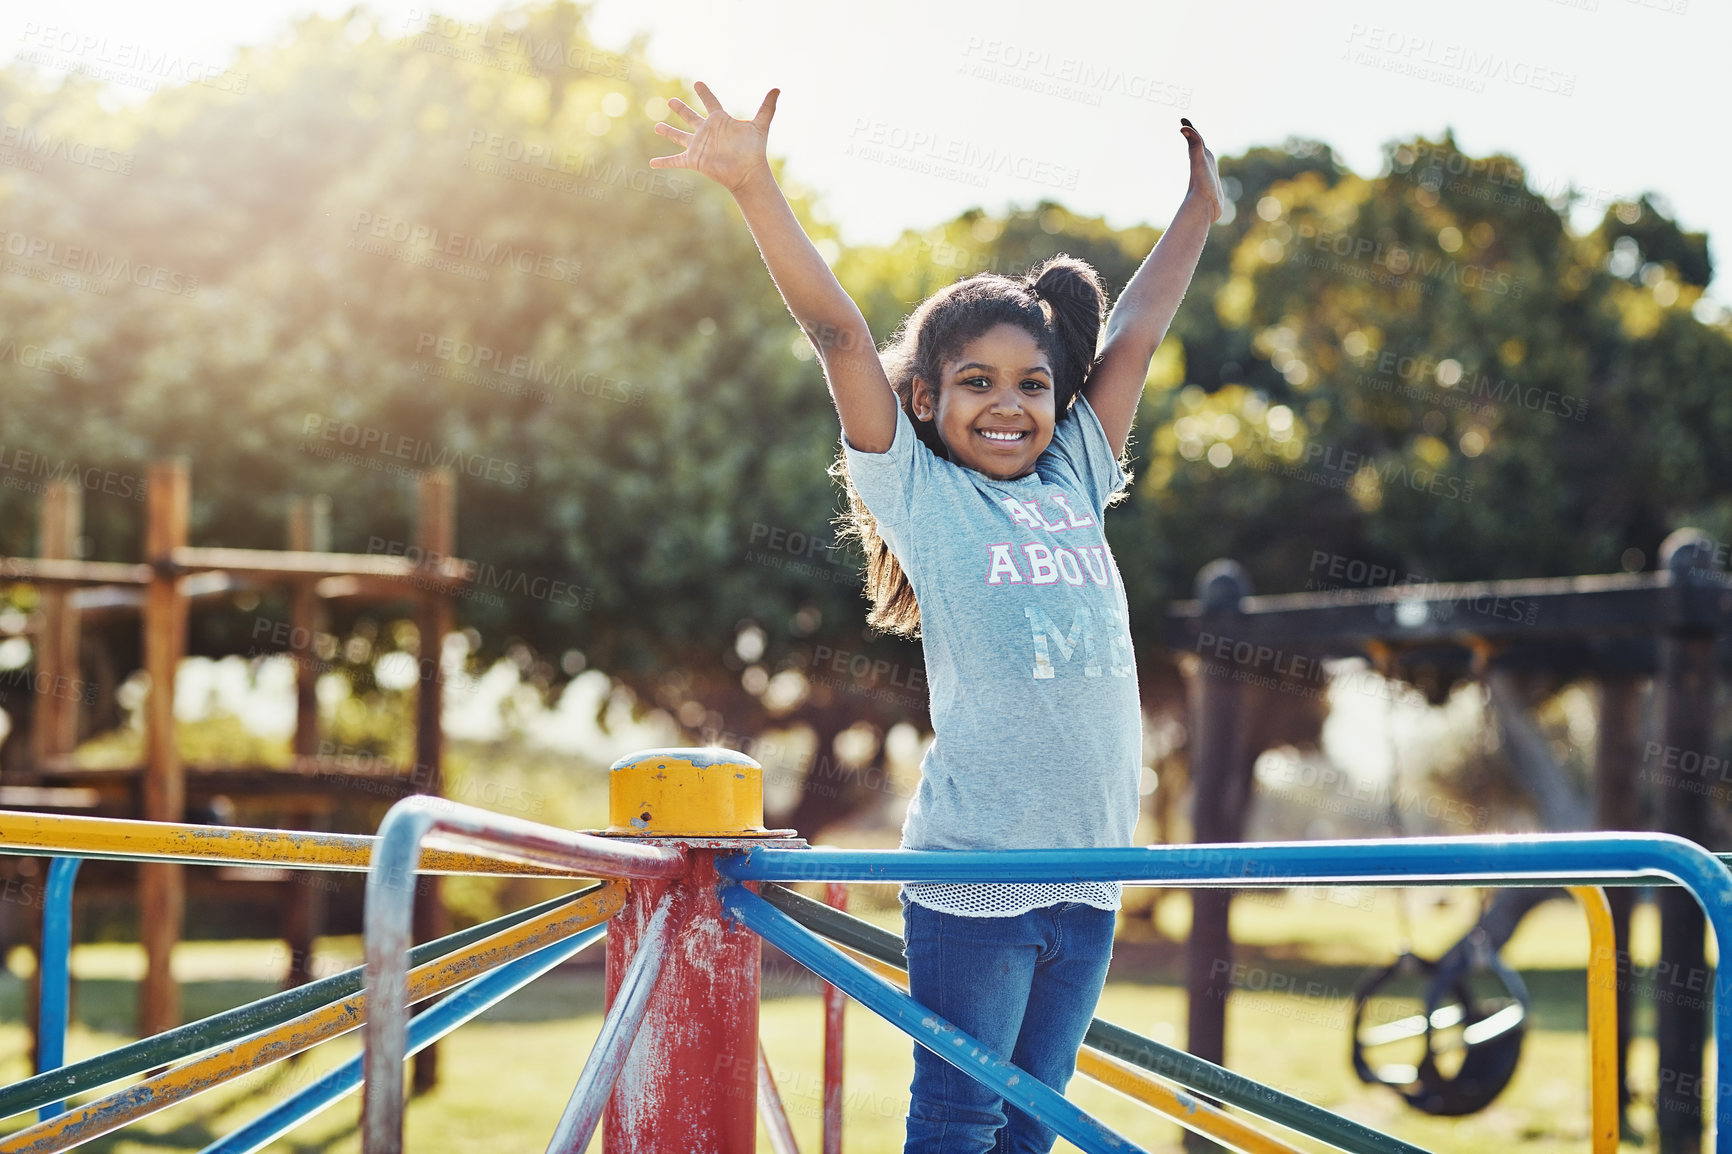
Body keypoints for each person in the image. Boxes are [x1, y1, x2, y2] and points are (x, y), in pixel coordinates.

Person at [651, 81, 1222, 1153]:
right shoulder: (921, 490)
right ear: (927, 400)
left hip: (1089, 868)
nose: (1009, 403)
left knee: (1032, 1121)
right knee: (959, 1115)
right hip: (973, 877)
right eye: (977, 383)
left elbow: (1137, 330)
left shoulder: (1074, 473)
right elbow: (836, 334)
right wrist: (751, 182)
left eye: (1032, 383)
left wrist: (1197, 210)